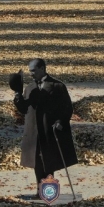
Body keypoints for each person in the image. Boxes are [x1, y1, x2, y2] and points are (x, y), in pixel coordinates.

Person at [11, 58, 78, 189]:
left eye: (34, 71)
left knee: (49, 160)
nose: (31, 74)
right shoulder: (29, 88)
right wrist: (18, 96)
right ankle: (40, 190)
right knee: (36, 161)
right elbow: (23, 109)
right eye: (30, 71)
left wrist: (60, 121)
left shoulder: (58, 86)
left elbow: (67, 108)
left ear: (42, 68)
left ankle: (49, 191)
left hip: (49, 129)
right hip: (34, 130)